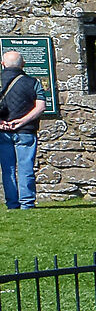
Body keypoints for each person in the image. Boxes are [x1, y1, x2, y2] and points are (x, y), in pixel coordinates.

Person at [0, 49, 44, 211]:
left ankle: (12, 204)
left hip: (3, 132)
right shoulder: (33, 82)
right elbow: (40, 107)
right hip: (26, 131)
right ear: (23, 64)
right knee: (26, 168)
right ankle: (27, 203)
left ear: (2, 64)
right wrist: (23, 121)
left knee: (8, 170)